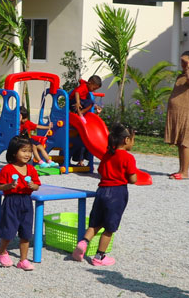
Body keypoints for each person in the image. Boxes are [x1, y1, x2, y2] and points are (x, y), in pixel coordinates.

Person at [78, 125, 139, 266]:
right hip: (117, 193)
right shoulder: (128, 158)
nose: (133, 143)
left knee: (96, 222)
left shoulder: (107, 155)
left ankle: (83, 242)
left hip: (102, 191)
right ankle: (99, 257)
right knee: (109, 227)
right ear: (126, 140)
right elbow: (133, 179)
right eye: (133, 140)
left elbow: (100, 171)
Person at [0, 136, 42, 271]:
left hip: (26, 202)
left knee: (26, 233)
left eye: (29, 151)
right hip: (11, 201)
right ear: (14, 152)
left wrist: (33, 186)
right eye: (24, 151)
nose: (27, 154)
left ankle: (23, 260)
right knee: (8, 231)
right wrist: (10, 185)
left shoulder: (31, 169)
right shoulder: (7, 169)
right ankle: (2, 252)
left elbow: (37, 186)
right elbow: (0, 186)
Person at [165, 51, 189, 180]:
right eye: (181, 61)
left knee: (185, 143)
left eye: (185, 61)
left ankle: (185, 172)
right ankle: (181, 170)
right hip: (177, 114)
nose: (182, 64)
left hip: (187, 115)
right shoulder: (181, 76)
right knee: (180, 144)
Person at [67, 76, 103, 167]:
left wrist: (96, 109)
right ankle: (80, 114)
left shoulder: (86, 86)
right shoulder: (83, 87)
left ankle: (80, 113)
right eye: (94, 88)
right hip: (73, 102)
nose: (94, 90)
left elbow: (81, 80)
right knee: (81, 141)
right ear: (90, 83)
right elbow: (77, 93)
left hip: (81, 108)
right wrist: (78, 103)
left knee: (91, 102)